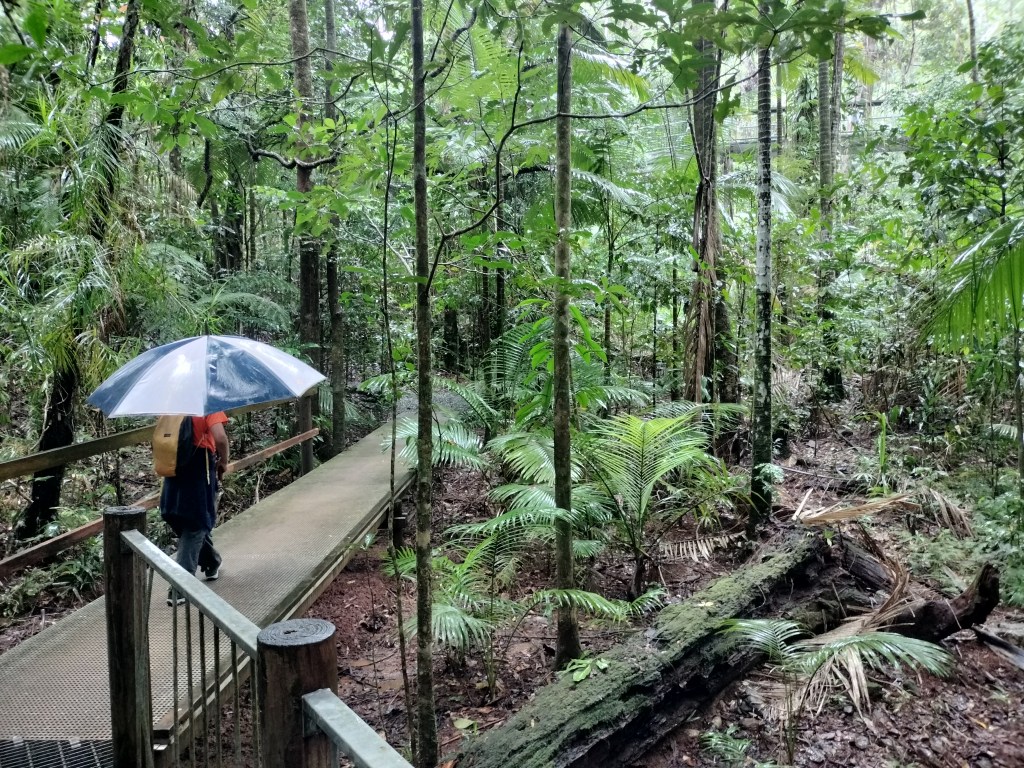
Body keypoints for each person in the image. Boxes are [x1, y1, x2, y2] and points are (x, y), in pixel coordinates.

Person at [161, 412, 229, 605]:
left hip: (173, 467)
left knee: (179, 516)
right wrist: (224, 461)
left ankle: (211, 561)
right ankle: (180, 587)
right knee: (196, 523)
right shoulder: (206, 405)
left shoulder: (170, 404)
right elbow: (220, 438)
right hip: (198, 468)